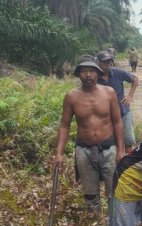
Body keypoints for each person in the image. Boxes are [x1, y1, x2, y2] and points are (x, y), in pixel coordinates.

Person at [54, 55, 125, 217]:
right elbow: (64, 125)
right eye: (84, 71)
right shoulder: (71, 96)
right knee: (90, 192)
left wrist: (121, 150)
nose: (88, 75)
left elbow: (117, 122)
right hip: (84, 150)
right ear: (78, 74)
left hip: (109, 148)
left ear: (98, 73)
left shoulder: (109, 93)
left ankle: (115, 224)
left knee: (115, 190)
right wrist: (59, 154)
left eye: (92, 71)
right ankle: (95, 221)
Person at [97, 51, 139, 153]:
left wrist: (130, 96)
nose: (107, 65)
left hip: (123, 112)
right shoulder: (95, 78)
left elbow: (135, 79)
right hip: (106, 116)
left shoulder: (118, 73)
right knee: (111, 144)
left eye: (109, 62)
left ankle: (127, 162)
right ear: (97, 63)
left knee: (128, 143)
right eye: (104, 62)